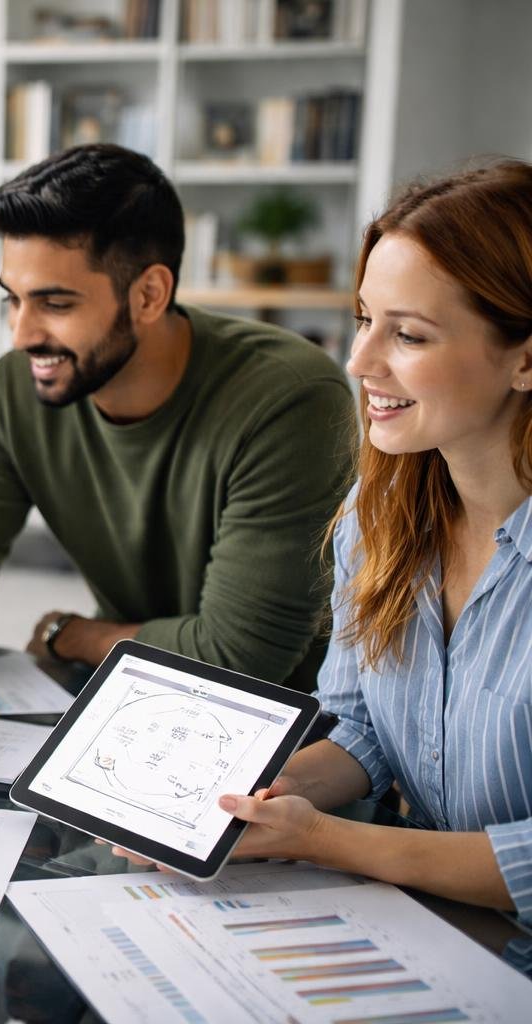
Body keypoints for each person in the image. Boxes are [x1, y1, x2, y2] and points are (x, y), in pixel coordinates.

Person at [0, 144, 356, 743]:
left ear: (148, 295)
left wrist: (73, 633)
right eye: (14, 298)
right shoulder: (20, 390)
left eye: (55, 303)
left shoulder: (289, 398)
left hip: (290, 746)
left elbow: (236, 658)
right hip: (132, 700)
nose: (23, 333)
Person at [128, 161, 532, 921]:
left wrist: (325, 841)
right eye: (363, 319)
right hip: (432, 925)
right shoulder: (375, 514)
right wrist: (242, 806)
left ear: (526, 357)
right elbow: (366, 728)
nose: (359, 362)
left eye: (408, 334)